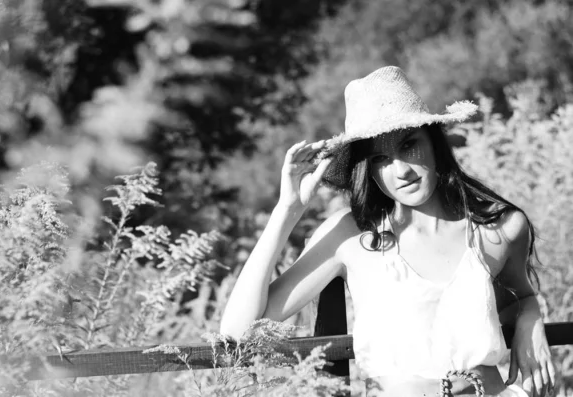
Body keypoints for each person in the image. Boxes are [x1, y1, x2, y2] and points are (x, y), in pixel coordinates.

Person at [219, 66, 555, 397]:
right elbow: (237, 331)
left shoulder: (500, 230)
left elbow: (519, 296)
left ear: (435, 143)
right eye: (380, 159)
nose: (402, 171)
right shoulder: (349, 236)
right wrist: (287, 210)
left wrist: (530, 317)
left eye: (409, 146)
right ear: (368, 171)